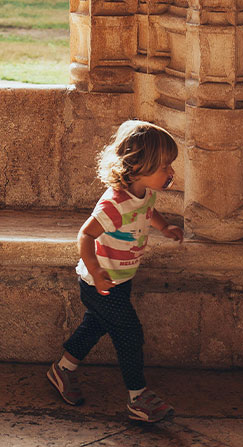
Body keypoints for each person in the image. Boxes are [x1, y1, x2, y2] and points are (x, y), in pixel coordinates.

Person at [47, 120, 183, 423]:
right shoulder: (114, 203)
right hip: (99, 282)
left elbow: (148, 211)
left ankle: (62, 370)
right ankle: (139, 398)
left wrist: (165, 226)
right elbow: (85, 235)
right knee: (129, 333)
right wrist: (95, 272)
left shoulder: (145, 192)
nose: (171, 172)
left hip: (121, 280)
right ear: (138, 166)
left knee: (96, 325)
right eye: (164, 166)